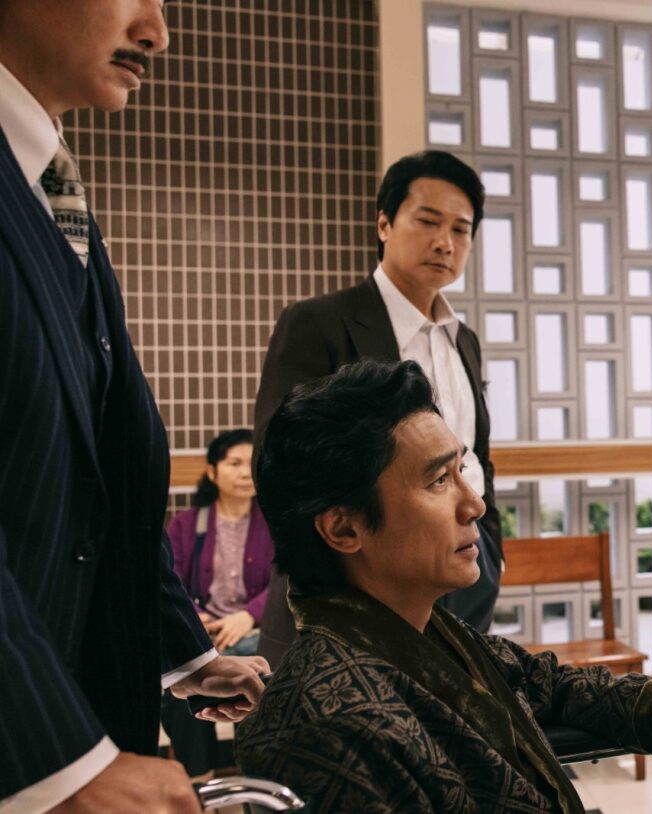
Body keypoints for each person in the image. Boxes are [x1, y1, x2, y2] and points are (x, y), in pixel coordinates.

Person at [237, 359, 652, 812]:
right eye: (438, 481)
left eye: (461, 471)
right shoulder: (323, 723)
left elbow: (551, 686)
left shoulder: (429, 635)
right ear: (343, 529)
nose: (475, 504)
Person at [0, 2, 268, 811]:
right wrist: (57, 765)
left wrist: (183, 653)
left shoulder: (48, 186)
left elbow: (95, 483)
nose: (158, 32)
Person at [253, 150, 503, 668]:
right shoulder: (320, 323)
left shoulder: (465, 341)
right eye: (428, 221)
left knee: (454, 714)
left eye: (461, 230)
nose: (445, 242)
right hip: (357, 593)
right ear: (384, 223)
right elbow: (282, 468)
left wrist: (492, 548)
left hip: (462, 571)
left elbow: (478, 457)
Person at [162, 429, 275, 777]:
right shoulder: (186, 523)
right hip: (206, 632)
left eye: (250, 464)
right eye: (233, 463)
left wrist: (247, 616)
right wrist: (195, 617)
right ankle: (200, 777)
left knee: (263, 672)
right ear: (212, 472)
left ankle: (257, 772)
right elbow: (170, 578)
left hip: (253, 633)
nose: (244, 473)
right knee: (181, 682)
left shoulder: (275, 521)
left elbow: (284, 578)